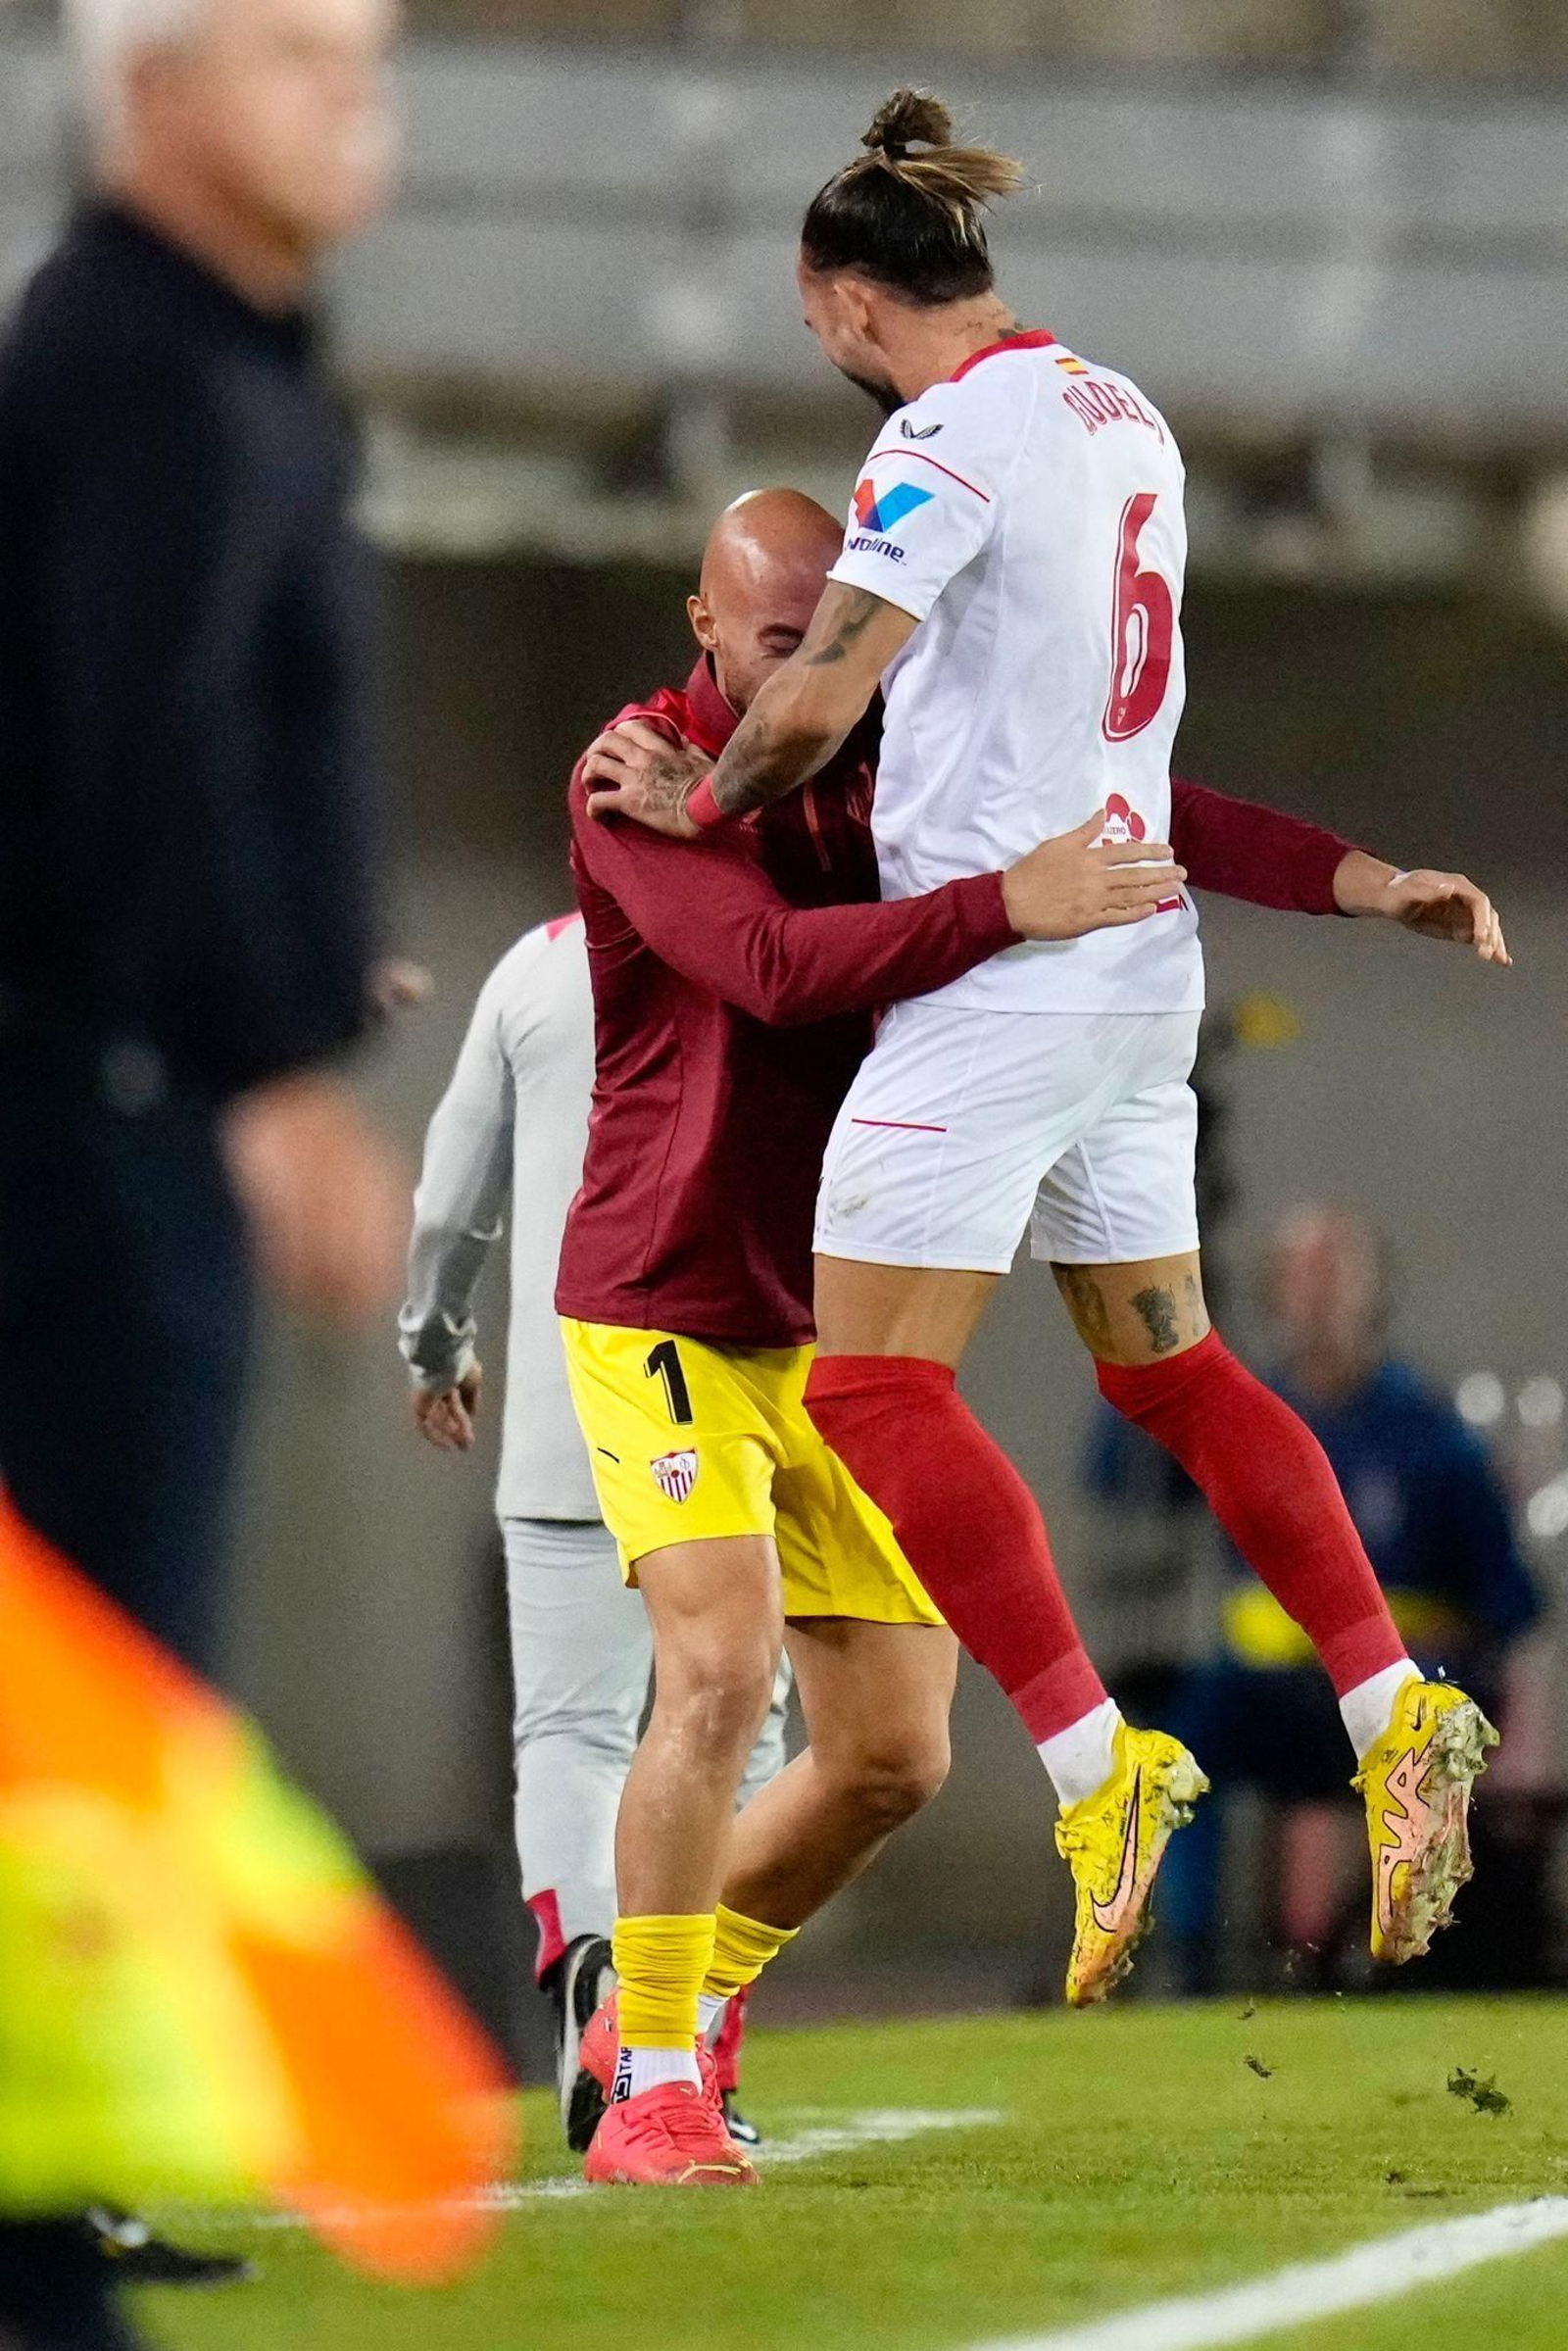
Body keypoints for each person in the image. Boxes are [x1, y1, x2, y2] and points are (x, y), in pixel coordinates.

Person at [581, 90, 1510, 2011]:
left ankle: (1099, 1767)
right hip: (1140, 964)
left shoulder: (943, 440)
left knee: (868, 1387)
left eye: (815, 322)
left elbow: (815, 694)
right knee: (1172, 1367)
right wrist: (1362, 877)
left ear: (848, 302)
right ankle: (1392, 1698)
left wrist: (701, 795)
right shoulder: (1123, 416)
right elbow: (1133, 760)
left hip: (1006, 977)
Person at [556, 485, 1446, 2187]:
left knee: (893, 1753)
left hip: (837, 1322)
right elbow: (769, 965)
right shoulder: (640, 775)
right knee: (723, 1666)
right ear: (701, 625)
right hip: (667, 1299)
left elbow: (1140, 811)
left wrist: (1363, 882)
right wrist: (1006, 905)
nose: (813, 673)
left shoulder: (893, 741)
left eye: (835, 637)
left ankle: (658, 1994)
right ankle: (657, 2081)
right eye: (777, 641)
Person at [0, 0, 404, 2336]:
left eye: (367, 53)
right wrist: (259, 1074)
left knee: (103, 1701)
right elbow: (131, 749)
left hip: (127, 1085)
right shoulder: (142, 363)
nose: (351, 93)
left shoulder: (223, 359)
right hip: (95, 1110)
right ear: (148, 88)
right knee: (100, 1688)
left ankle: (49, 2235)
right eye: (291, 50)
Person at [399, 912, 791, 2149]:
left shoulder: (533, 965)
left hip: (565, 1406)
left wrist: (433, 1342)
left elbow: (451, 1196)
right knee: (746, 1715)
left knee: (569, 1727)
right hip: (727, 1395)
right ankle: (685, 2030)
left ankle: (592, 1962)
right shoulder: (771, 928)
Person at [1157, 1205, 1542, 1993]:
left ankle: (1397, 1957)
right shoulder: (1241, 1418)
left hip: (1404, 1681)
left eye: (1335, 1271)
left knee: (1424, 1727)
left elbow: (1511, 1600)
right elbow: (1126, 1475)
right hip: (1279, 1693)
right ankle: (1188, 1963)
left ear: (1374, 1289)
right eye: (1300, 1273)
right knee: (1185, 1739)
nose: (1318, 1293)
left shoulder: (1432, 1434)